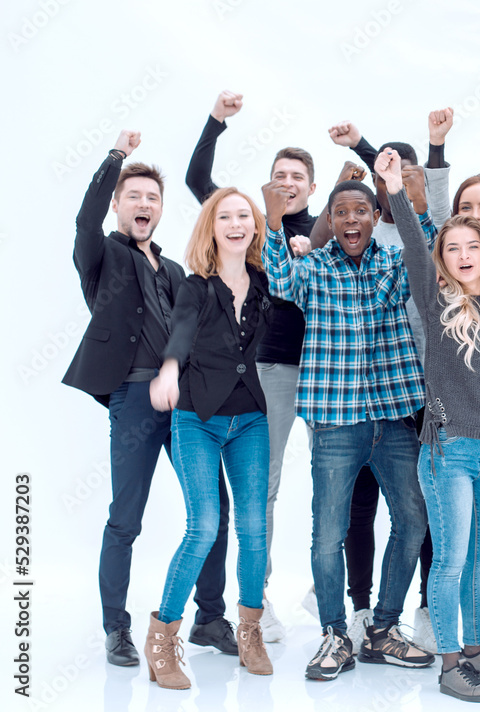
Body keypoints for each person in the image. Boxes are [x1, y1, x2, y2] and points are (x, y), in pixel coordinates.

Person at [62, 130, 233, 667]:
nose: (144, 204)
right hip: (135, 400)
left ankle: (209, 618)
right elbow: (84, 221)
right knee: (126, 519)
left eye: (152, 198)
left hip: (184, 403)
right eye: (133, 196)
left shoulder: (176, 270)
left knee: (213, 510)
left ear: (160, 211)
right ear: (118, 203)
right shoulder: (101, 255)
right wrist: (115, 157)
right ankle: (117, 628)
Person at [263, 175, 433, 681]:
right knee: (328, 534)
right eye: (342, 212)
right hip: (336, 421)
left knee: (413, 520)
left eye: (362, 210)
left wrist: (409, 198)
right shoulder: (311, 268)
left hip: (394, 415)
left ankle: (384, 628)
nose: (352, 219)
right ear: (331, 222)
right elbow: (278, 280)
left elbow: (428, 261)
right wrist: (273, 223)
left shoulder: (394, 264)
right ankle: (335, 635)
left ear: (374, 216)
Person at [375, 147, 480, 702]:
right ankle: (447, 663)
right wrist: (394, 187)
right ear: (443, 259)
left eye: (473, 246)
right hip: (450, 451)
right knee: (453, 559)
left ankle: (476, 651)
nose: (463, 255)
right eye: (453, 248)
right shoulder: (436, 299)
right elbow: (416, 243)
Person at [184, 90, 320, 642]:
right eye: (279, 174)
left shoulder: (326, 225)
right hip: (266, 370)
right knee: (261, 486)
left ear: (311, 187)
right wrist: (216, 120)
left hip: (325, 373)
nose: (287, 182)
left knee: (344, 478)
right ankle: (254, 597)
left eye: (297, 177)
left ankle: (333, 593)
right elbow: (198, 179)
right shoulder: (249, 221)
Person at [146, 187, 274, 688]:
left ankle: (250, 632)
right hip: (197, 417)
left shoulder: (265, 280)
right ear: (212, 226)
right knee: (203, 526)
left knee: (255, 528)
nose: (236, 223)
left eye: (245, 215)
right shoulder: (196, 286)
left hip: (250, 419)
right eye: (226, 216)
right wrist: (170, 370)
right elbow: (180, 329)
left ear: (255, 226)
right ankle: (161, 640)